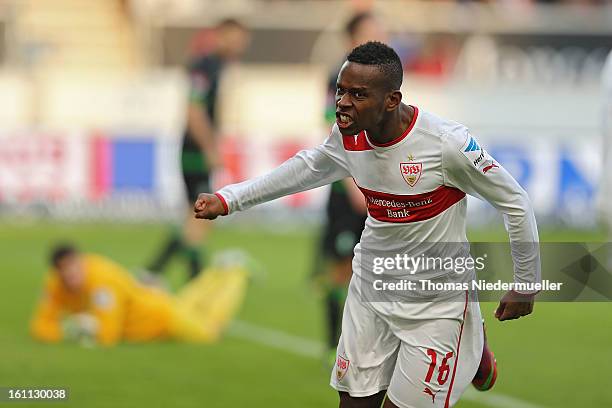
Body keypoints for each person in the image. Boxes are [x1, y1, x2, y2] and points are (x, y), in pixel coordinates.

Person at [194, 42, 540, 408]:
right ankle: (473, 348)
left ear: (392, 100)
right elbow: (308, 167)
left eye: (358, 94)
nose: (343, 102)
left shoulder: (446, 143)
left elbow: (514, 201)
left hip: (436, 303)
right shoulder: (349, 134)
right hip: (371, 287)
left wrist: (527, 282)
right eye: (341, 90)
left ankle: (468, 341)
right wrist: (230, 199)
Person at [145, 18, 250, 280]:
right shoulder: (204, 66)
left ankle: (156, 272)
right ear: (220, 36)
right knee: (200, 216)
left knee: (195, 218)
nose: (239, 44)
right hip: (194, 150)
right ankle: (171, 274)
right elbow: (194, 111)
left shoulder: (218, 67)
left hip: (198, 148)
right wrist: (210, 148)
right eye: (234, 37)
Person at [317, 11, 385, 363]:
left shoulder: (385, 80)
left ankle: (371, 344)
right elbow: (335, 137)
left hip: (376, 188)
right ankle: (334, 343)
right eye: (368, 33)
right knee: (341, 267)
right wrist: (354, 187)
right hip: (349, 191)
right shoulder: (338, 78)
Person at [31, 244, 249, 346]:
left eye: (75, 269)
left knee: (211, 331)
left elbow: (108, 335)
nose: (72, 276)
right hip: (155, 305)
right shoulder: (54, 285)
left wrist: (84, 326)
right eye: (65, 272)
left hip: (163, 319)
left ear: (82, 261)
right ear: (57, 272)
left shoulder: (102, 281)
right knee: (187, 301)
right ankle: (219, 270)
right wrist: (67, 330)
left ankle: (237, 272)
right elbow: (41, 326)